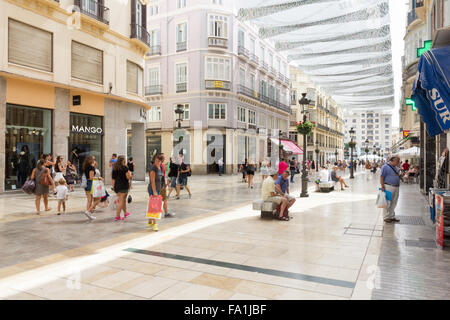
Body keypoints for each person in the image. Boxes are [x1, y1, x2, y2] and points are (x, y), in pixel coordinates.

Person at [380, 156, 401, 223]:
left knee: (394, 202)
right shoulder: (385, 167)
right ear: (393, 161)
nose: (398, 163)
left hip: (396, 187)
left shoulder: (396, 167)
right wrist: (382, 186)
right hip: (388, 186)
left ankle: (391, 216)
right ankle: (386, 217)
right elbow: (381, 176)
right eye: (398, 161)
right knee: (387, 202)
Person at [112, 155, 132, 221]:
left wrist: (114, 187)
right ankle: (117, 216)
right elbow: (128, 177)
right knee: (121, 201)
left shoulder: (115, 168)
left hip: (117, 186)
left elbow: (113, 179)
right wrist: (130, 175)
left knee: (123, 200)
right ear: (123, 160)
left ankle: (125, 213)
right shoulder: (125, 168)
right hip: (124, 186)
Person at [148, 154, 164, 231]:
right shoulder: (153, 168)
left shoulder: (160, 167)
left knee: (152, 205)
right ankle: (154, 224)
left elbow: (160, 179)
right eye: (156, 160)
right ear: (154, 160)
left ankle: (150, 221)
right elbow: (152, 181)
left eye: (159, 161)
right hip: (153, 189)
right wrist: (154, 191)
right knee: (155, 206)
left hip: (157, 188)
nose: (158, 162)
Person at [82, 155, 97, 220]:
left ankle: (88, 212)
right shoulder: (91, 167)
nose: (94, 160)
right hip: (90, 183)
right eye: (93, 159)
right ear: (91, 160)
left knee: (89, 199)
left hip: (86, 184)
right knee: (92, 199)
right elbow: (91, 177)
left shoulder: (86, 167)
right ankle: (88, 212)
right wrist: (98, 178)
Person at [160, 153, 174, 217]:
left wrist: (165, 184)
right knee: (159, 200)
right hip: (160, 186)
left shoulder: (161, 165)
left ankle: (166, 213)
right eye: (163, 157)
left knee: (164, 199)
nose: (164, 158)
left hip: (162, 185)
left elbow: (163, 176)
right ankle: (153, 216)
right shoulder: (158, 166)